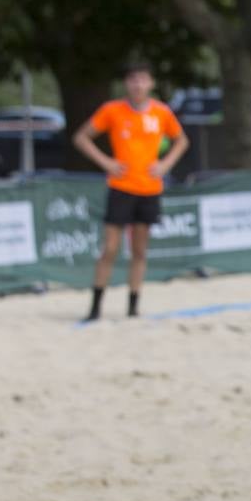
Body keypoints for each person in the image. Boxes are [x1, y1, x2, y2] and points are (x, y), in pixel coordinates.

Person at [73, 61, 189, 322]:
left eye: (143, 79)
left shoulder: (161, 112)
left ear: (151, 83)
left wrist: (165, 164)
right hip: (121, 187)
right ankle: (95, 307)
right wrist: (107, 163)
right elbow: (81, 137)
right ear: (127, 84)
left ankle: (133, 306)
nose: (138, 84)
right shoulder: (112, 110)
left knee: (139, 250)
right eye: (133, 79)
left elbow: (182, 141)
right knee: (111, 248)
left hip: (148, 188)